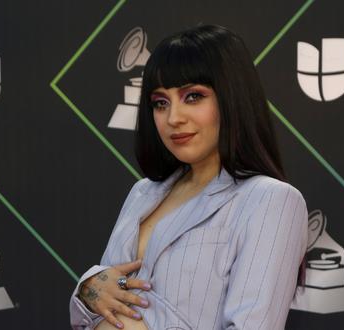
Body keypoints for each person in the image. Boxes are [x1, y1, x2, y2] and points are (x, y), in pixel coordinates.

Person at [69, 24, 308, 330]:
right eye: (160, 102)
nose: (173, 118)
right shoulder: (143, 193)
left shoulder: (271, 199)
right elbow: (98, 308)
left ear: (231, 98)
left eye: (193, 96)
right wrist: (89, 289)